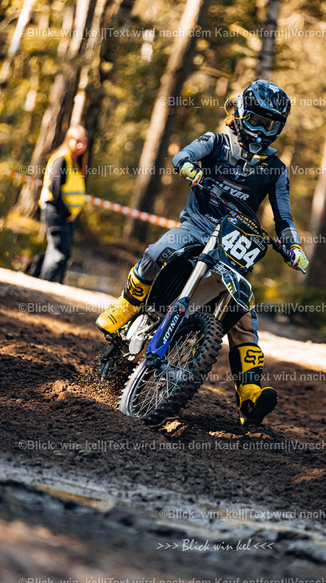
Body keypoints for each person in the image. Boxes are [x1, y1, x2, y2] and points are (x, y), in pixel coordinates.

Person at [96, 80, 309, 425]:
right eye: (256, 120)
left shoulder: (276, 169)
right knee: (158, 250)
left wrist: (293, 245)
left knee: (244, 316)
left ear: (279, 128)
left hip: (235, 242)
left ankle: (249, 395)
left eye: (269, 125)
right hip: (197, 226)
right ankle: (127, 305)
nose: (260, 130)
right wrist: (188, 167)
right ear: (240, 114)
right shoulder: (216, 142)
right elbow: (182, 155)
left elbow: (283, 216)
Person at [38, 125, 88, 283]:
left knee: (56, 253)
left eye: (84, 142)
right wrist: (66, 213)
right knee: (60, 254)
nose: (81, 146)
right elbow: (55, 190)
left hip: (67, 216)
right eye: (77, 141)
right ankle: (45, 285)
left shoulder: (75, 162)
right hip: (57, 212)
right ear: (69, 140)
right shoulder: (62, 159)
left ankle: (49, 284)